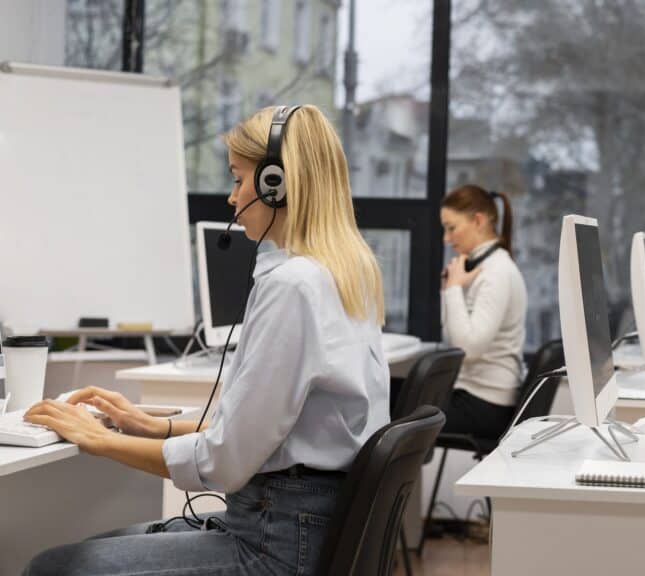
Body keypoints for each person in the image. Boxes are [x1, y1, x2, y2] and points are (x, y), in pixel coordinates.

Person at [21, 105, 389, 575]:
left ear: (277, 182)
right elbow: (277, 426)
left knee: (53, 569)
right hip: (299, 527)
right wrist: (157, 425)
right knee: (101, 545)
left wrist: (99, 440)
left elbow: (226, 462)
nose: (232, 199)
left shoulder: (294, 286)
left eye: (239, 180)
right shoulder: (345, 272)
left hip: (276, 547)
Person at [439, 184, 527, 438]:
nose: (446, 239)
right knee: (404, 401)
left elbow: (467, 351)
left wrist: (453, 290)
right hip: (479, 397)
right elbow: (454, 341)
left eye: (451, 228)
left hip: (485, 405)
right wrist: (450, 289)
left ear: (477, 221)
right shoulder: (486, 269)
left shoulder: (495, 273)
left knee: (397, 414)